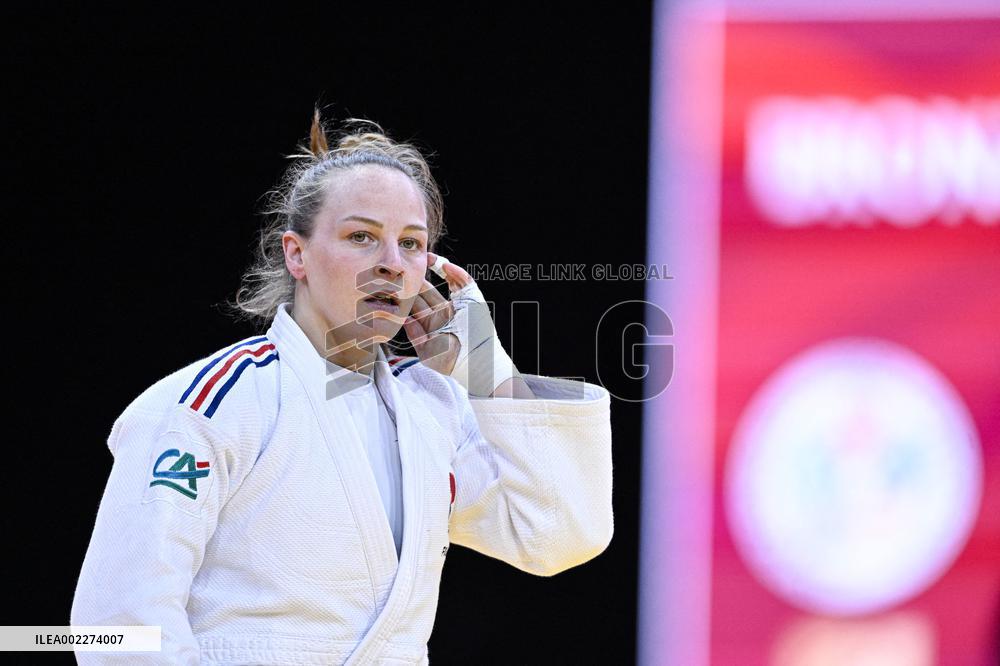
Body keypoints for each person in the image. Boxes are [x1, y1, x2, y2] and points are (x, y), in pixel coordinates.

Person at [70, 111, 614, 665]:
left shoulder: (432, 411)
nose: (391, 264)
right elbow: (118, 623)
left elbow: (558, 537)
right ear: (296, 253)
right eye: (362, 237)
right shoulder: (213, 403)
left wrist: (485, 370)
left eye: (411, 243)